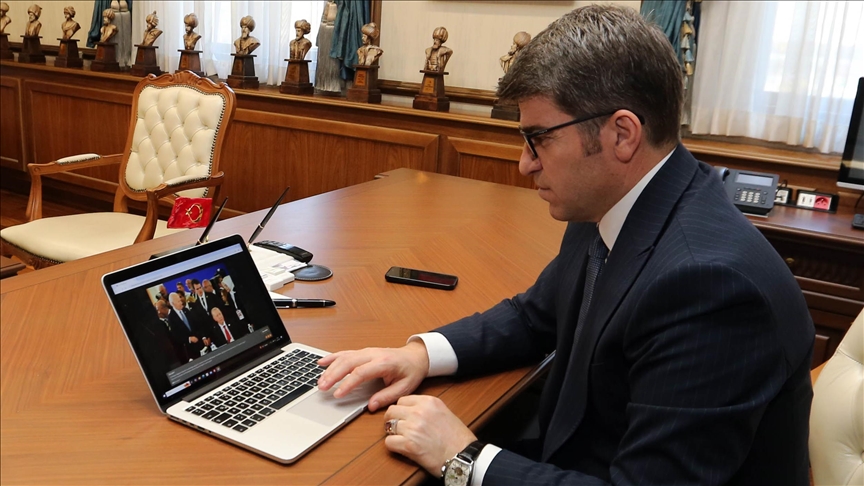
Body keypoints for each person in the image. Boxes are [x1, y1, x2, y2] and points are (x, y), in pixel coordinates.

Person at [317, 5, 814, 485]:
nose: (524, 163)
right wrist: (420, 355)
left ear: (622, 134)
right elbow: (537, 315)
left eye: (539, 138)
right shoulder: (614, 200)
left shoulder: (711, 287)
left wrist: (463, 458)